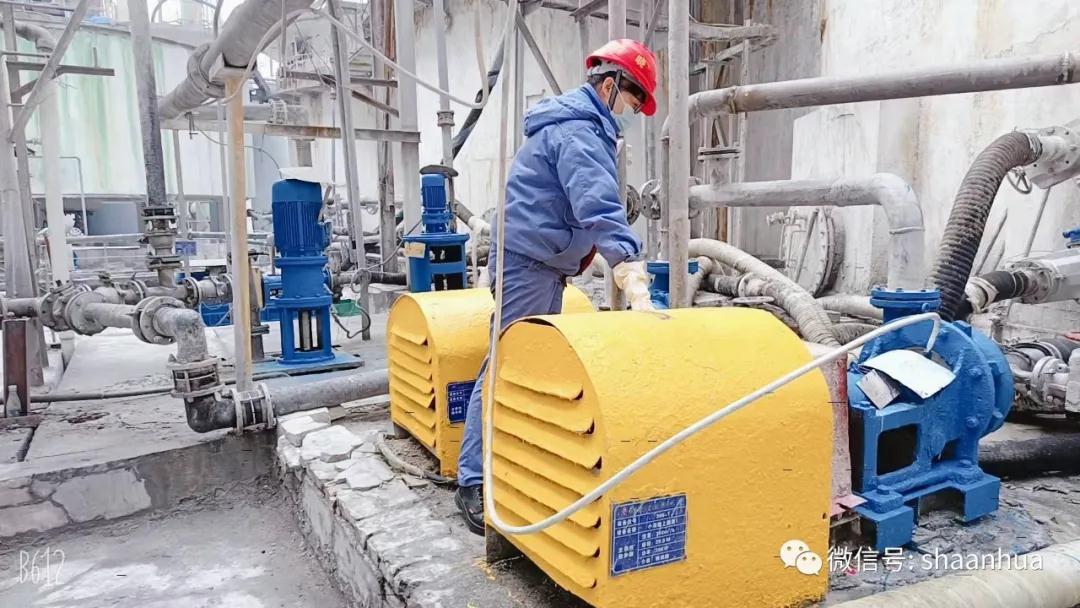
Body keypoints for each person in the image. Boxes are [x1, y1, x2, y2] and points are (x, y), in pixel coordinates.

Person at [455, 39, 660, 535]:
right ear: (609, 86)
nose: (632, 112)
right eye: (633, 100)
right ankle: (473, 480)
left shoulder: (581, 127)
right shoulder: (578, 132)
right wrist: (628, 266)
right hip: (529, 265)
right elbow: (596, 203)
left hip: (540, 265)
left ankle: (510, 465)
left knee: (525, 364)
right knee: (505, 365)